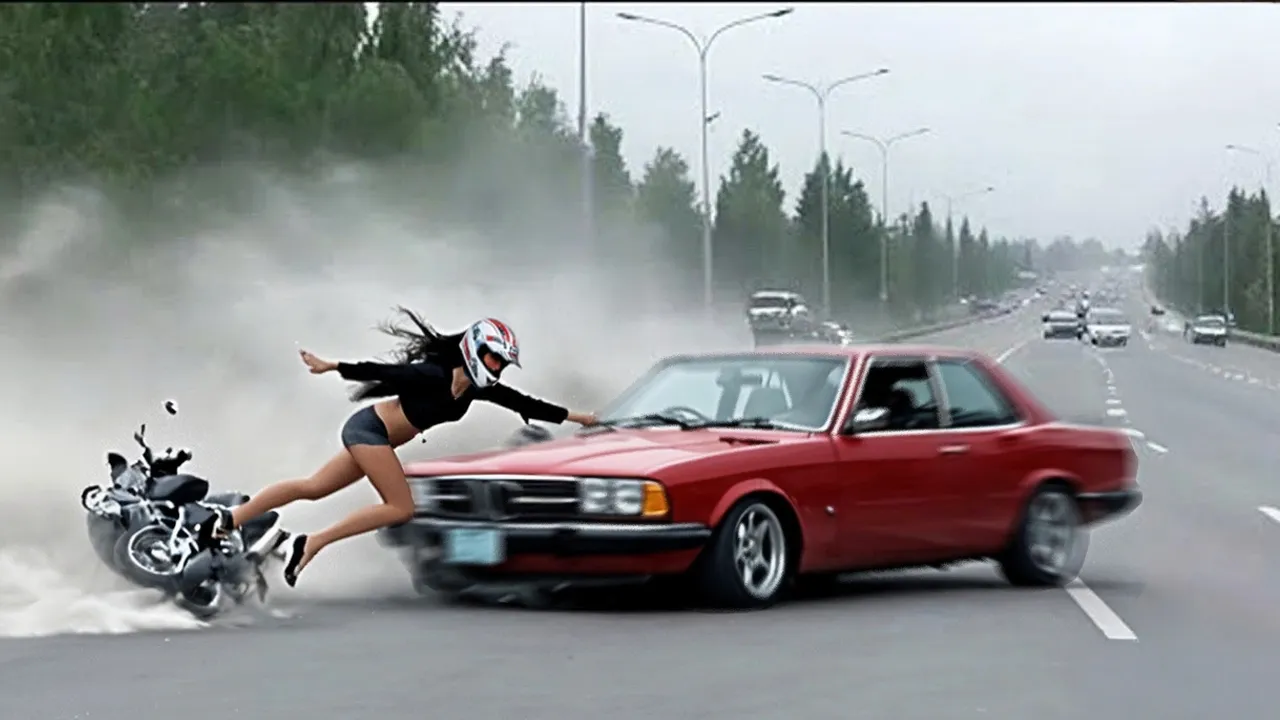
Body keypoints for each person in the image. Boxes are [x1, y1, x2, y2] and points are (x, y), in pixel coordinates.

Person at [197, 309, 598, 587]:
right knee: (400, 507)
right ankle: (310, 543)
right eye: (494, 360)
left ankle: (228, 520)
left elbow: (526, 404)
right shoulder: (433, 374)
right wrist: (332, 366)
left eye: (501, 364)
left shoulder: (475, 389)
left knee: (313, 487)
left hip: (377, 437)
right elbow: (385, 371)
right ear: (475, 349)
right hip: (369, 431)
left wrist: (581, 418)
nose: (497, 369)